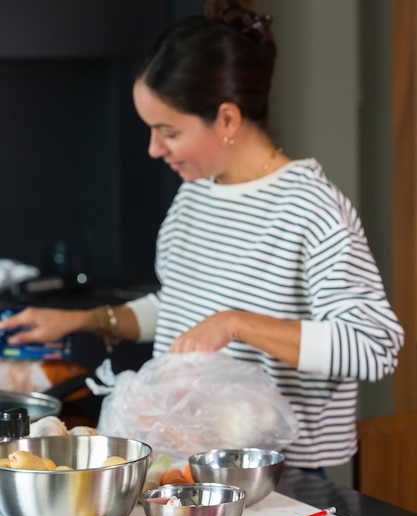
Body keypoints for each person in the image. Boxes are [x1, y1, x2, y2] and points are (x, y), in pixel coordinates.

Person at [0, 0, 404, 472]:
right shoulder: (195, 196)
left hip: (279, 479)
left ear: (228, 119)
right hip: (185, 461)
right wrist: (84, 321)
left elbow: (373, 345)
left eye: (167, 131)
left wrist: (236, 322)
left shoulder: (309, 206)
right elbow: (183, 309)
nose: (154, 149)